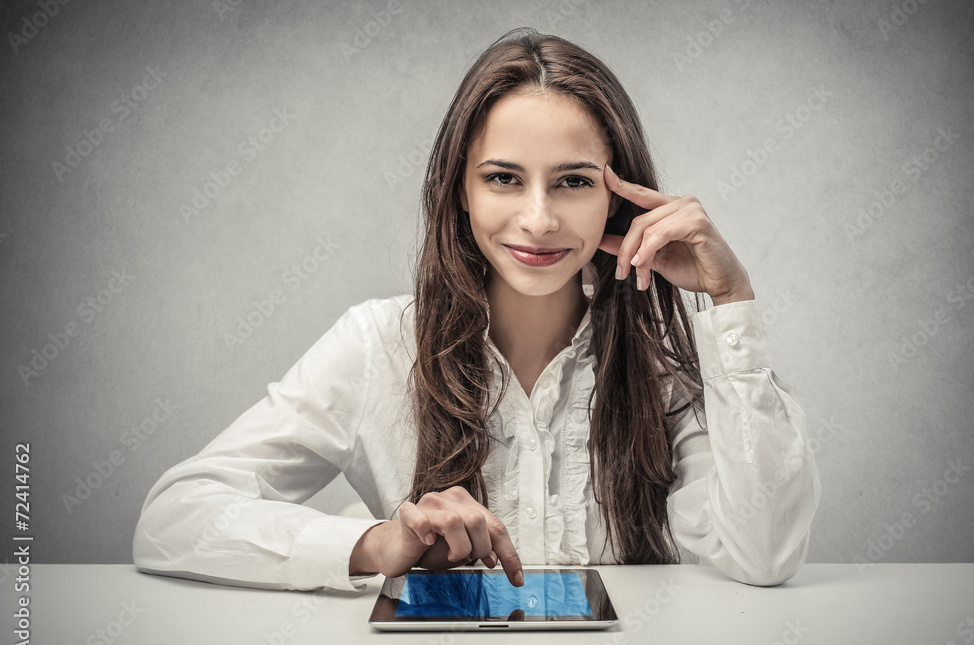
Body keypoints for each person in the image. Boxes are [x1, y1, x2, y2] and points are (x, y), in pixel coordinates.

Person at [132, 27, 820, 593]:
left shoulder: (663, 360)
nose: (539, 218)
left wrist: (730, 300)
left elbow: (765, 554)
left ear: (616, 198)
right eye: (503, 178)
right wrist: (374, 543)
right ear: (459, 189)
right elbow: (173, 516)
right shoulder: (378, 344)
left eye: (575, 181)